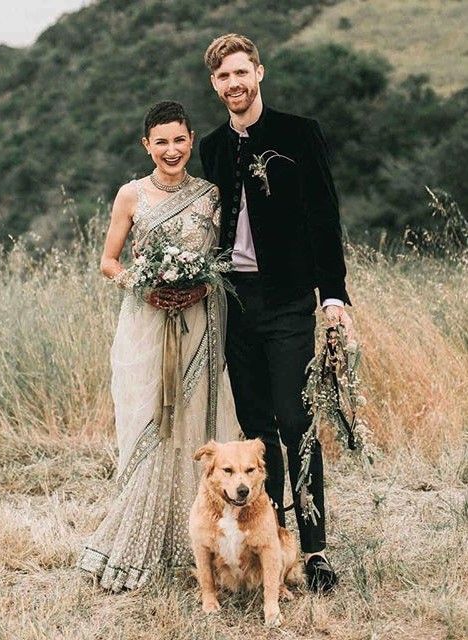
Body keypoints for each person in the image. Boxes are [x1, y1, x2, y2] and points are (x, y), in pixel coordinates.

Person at [199, 34, 354, 592]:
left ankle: (314, 551)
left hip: (288, 299)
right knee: (257, 430)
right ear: (214, 84)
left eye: (242, 72)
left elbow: (324, 217)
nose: (234, 84)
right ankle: (275, 544)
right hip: (235, 304)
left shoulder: (298, 133)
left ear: (259, 72)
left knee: (296, 424)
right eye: (223, 77)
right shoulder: (213, 146)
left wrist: (332, 296)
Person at [77, 101, 240, 591]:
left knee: (197, 426)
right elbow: (108, 261)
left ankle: (205, 540)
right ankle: (145, 537)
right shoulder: (130, 195)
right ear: (146, 145)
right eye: (161, 141)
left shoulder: (211, 194)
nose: (172, 150)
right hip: (146, 321)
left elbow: (225, 258)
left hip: (200, 321)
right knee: (151, 422)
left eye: (180, 139)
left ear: (192, 140)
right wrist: (144, 285)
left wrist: (200, 285)